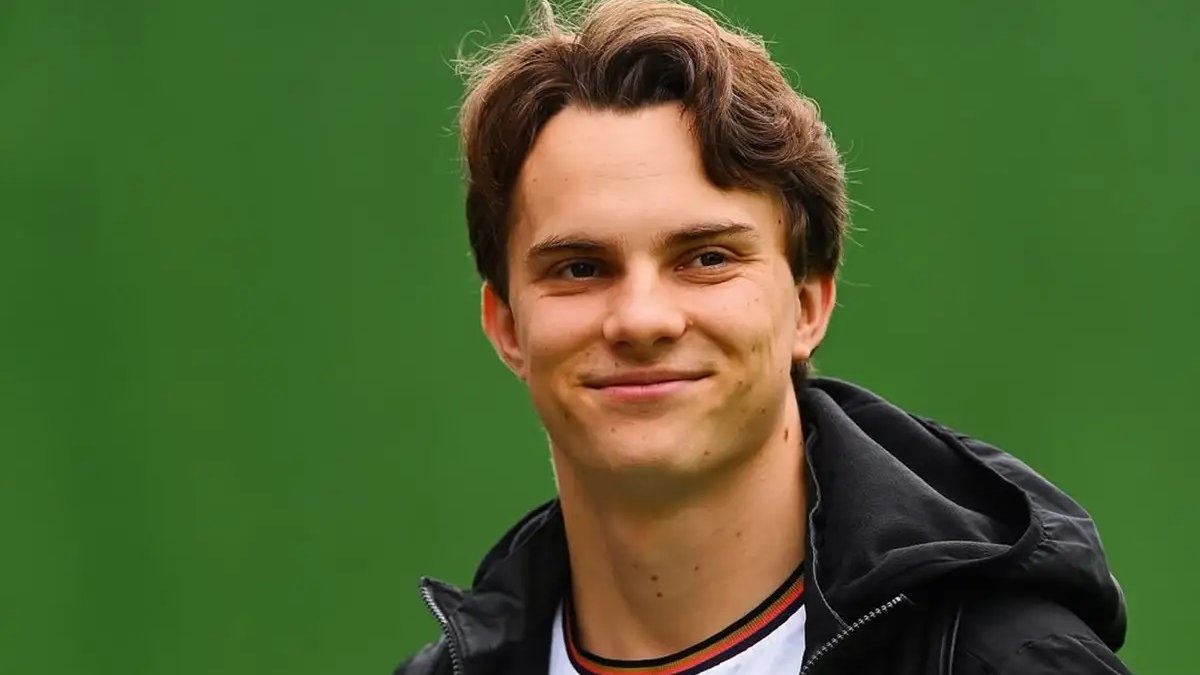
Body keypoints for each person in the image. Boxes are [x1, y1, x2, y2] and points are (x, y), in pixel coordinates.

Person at [396, 0, 1131, 673]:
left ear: (808, 306)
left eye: (707, 258)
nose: (642, 319)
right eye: (580, 267)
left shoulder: (1004, 661)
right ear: (506, 326)